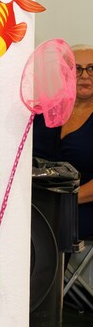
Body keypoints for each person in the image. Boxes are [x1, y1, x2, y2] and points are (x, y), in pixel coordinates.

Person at [33, 44, 93, 240]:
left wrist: (63, 201)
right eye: (76, 68)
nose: (85, 75)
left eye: (92, 68)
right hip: (37, 211)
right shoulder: (43, 112)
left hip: (83, 213)